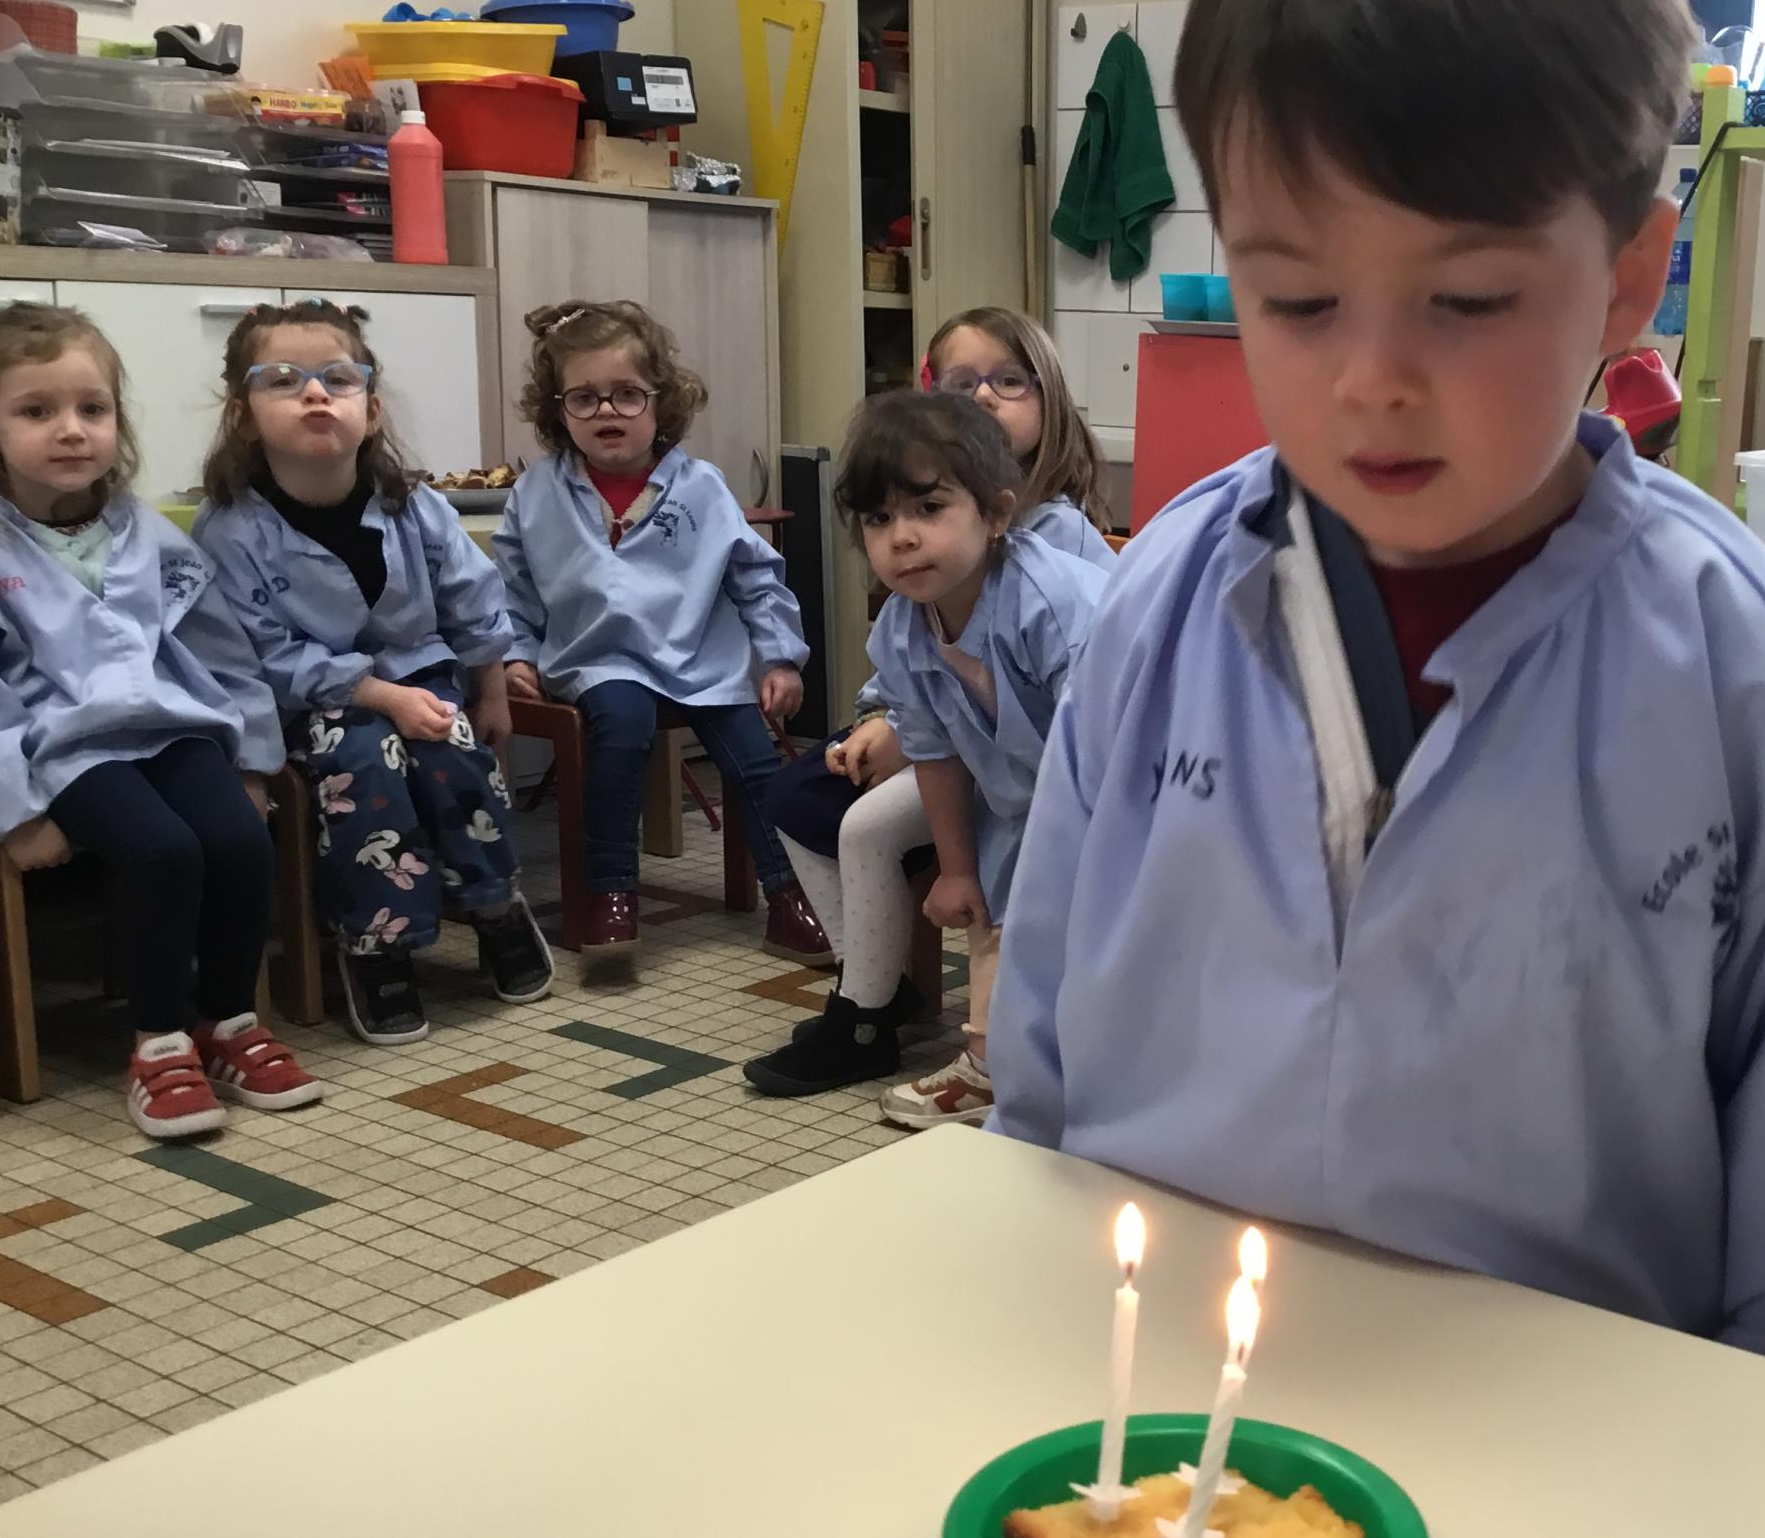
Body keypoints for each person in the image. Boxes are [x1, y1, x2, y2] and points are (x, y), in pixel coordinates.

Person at [985, 0, 1765, 1393]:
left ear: (1628, 278)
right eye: (1297, 298)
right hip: (1167, 1400)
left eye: (1466, 299)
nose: (1373, 379)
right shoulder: (1158, 604)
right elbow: (1043, 1057)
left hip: (1575, 1432)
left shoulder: (1759, 680)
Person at [0, 304, 322, 1137]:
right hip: (65, 749)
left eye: (91, 408)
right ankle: (158, 1042)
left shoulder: (145, 531)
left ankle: (226, 1020)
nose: (71, 429)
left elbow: (221, 650)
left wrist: (252, 760)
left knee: (239, 841)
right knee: (162, 850)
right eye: (36, 410)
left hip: (172, 728)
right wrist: (15, 811)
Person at [756, 307, 1115, 1082]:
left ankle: (1047, 1068)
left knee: (1082, 930)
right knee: (995, 916)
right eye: (879, 518)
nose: (903, 536)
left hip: (1116, 793)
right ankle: (980, 1062)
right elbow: (936, 750)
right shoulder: (904, 626)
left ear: (996, 514)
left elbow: (1104, 748)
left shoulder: (1051, 596)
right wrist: (956, 868)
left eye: (927, 510)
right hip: (1014, 788)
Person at [193, 299, 553, 1046]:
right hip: (309, 705)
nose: (315, 394)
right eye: (283, 380)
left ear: (372, 409)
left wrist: (491, 691)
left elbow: (472, 598)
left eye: (337, 378)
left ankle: (493, 902)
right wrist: (376, 695)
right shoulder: (232, 529)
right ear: (243, 417)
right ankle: (376, 942)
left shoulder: (413, 506)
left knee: (451, 744)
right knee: (366, 760)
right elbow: (261, 654)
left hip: (423, 680)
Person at [490, 301, 820, 967]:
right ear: (557, 410)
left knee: (755, 760)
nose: (606, 411)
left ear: (660, 401)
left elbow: (755, 577)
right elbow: (511, 589)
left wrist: (781, 657)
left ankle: (790, 897)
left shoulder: (702, 486)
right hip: (598, 660)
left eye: (627, 394)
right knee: (622, 726)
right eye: (583, 397)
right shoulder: (536, 493)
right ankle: (611, 893)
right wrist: (516, 656)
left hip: (702, 658)